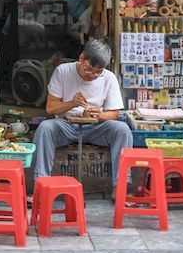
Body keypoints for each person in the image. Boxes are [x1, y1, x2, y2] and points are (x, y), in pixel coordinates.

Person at [33, 39, 131, 199]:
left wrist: (100, 114)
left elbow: (114, 114)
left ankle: (120, 186)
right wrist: (72, 103)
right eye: (89, 69)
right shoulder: (63, 71)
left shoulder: (109, 77)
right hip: (66, 125)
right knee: (45, 128)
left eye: (98, 72)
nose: (92, 75)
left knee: (122, 130)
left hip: (95, 127)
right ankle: (41, 183)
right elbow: (51, 108)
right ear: (81, 58)